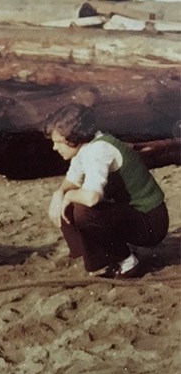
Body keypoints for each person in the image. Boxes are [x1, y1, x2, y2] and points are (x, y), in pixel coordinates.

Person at [44, 104, 169, 278]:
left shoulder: (98, 150)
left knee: (83, 210)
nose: (54, 148)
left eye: (57, 142)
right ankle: (105, 258)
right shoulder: (85, 148)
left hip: (151, 222)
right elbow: (72, 179)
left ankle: (128, 263)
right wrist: (59, 194)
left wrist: (69, 196)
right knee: (69, 203)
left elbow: (92, 197)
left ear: (73, 138)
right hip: (136, 215)